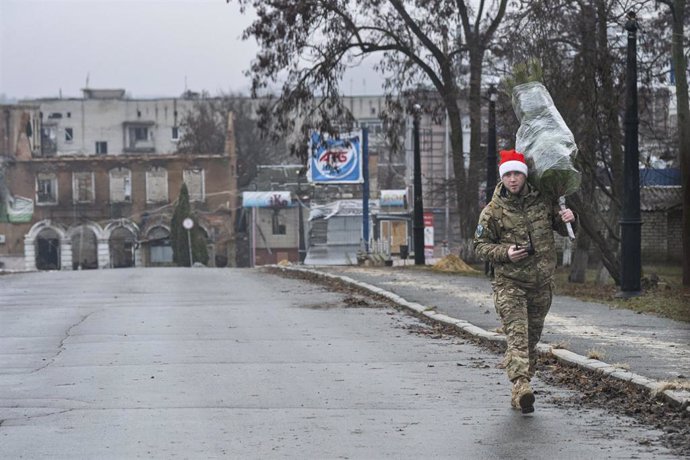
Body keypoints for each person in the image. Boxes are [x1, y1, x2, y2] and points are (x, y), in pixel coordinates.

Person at [473, 149, 576, 414]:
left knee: (531, 340)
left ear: (525, 175)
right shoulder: (493, 211)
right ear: (502, 178)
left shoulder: (543, 200)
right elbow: (480, 246)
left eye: (517, 173)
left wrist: (568, 218)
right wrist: (505, 253)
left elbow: (561, 226)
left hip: (541, 284)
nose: (513, 179)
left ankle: (520, 388)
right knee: (517, 338)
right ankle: (521, 386)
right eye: (507, 174)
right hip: (510, 283)